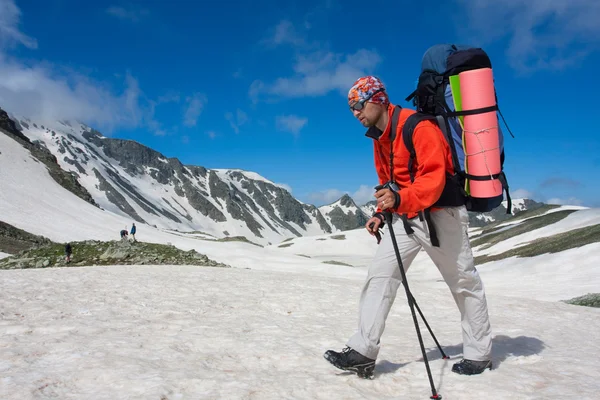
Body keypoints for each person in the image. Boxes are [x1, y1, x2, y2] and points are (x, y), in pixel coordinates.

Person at [323, 76, 493, 378]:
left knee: (464, 282)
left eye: (358, 105)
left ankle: (479, 354)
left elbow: (434, 178)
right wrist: (380, 211)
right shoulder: (378, 136)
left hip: (441, 215)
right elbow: (388, 181)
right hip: (405, 216)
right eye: (351, 108)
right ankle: (363, 350)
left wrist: (399, 197)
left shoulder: (419, 127)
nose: (355, 113)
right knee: (380, 275)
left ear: (378, 99)